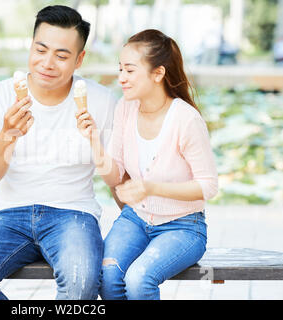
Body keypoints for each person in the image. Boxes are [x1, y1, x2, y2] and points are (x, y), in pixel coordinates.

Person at [0, 5, 118, 300]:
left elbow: (118, 177)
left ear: (79, 59)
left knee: (80, 285)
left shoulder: (101, 101)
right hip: (9, 213)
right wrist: (7, 135)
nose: (47, 63)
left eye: (62, 55)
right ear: (31, 47)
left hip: (74, 212)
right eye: (41, 50)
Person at [75, 29, 218, 300]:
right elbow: (115, 177)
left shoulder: (185, 119)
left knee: (139, 280)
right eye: (120, 69)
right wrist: (94, 139)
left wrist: (150, 188)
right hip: (136, 219)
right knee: (107, 277)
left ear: (158, 73)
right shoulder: (125, 108)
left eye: (129, 70)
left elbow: (208, 187)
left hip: (184, 227)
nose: (121, 78)